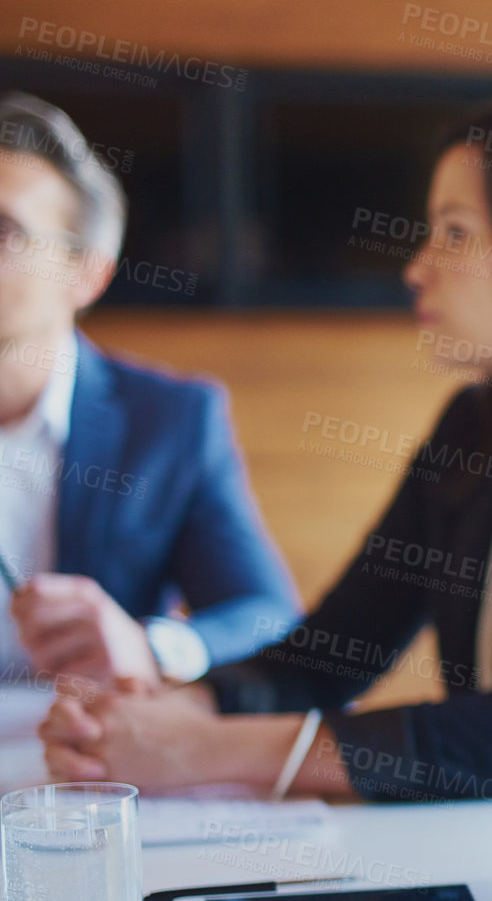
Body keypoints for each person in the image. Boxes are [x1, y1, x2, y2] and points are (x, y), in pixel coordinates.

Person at [40, 97, 492, 803]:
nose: (415, 267)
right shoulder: (476, 429)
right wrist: (178, 711)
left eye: (453, 233)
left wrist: (205, 749)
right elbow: (330, 652)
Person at [0, 91, 298, 706]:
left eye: (5, 231)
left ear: (87, 273)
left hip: (76, 758)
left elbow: (267, 614)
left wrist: (154, 648)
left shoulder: (171, 421)